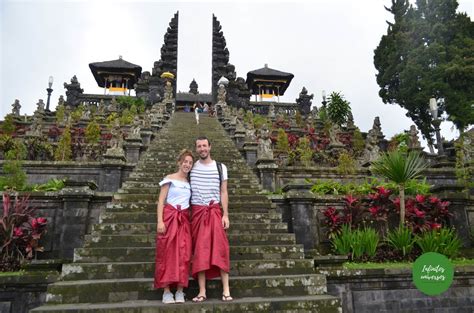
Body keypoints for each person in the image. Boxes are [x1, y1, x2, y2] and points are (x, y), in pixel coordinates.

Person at [190, 136, 232, 302]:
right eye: (199, 146)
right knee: (200, 251)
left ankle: (226, 290)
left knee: (221, 248)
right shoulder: (191, 168)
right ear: (196, 149)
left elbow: (224, 192)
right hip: (198, 213)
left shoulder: (221, 168)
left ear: (210, 147)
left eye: (204, 146)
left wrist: (226, 214)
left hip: (214, 211)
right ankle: (202, 291)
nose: (202, 149)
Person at [154, 149, 194, 304]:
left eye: (190, 163)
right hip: (169, 218)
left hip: (184, 220)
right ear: (179, 162)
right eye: (185, 162)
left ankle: (180, 290)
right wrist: (160, 221)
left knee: (184, 255)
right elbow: (161, 201)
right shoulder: (169, 179)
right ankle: (166, 291)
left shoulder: (189, 183)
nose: (187, 165)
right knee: (167, 253)